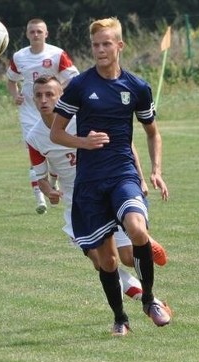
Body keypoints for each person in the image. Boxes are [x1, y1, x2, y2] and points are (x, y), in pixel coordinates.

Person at [50, 17, 171, 336]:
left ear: (120, 46)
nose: (100, 50)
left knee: (137, 230)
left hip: (122, 175)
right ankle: (120, 318)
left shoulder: (137, 87)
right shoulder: (80, 85)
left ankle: (149, 300)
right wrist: (84, 142)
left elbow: (152, 133)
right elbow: (56, 133)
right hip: (90, 183)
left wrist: (156, 170)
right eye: (95, 44)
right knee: (107, 260)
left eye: (107, 44)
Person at [26, 75, 168, 305]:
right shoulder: (34, 137)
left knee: (129, 258)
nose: (44, 100)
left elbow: (125, 145)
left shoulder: (82, 118)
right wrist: (49, 190)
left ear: (61, 97)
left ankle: (145, 241)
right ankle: (151, 301)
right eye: (39, 95)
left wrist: (140, 178)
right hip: (77, 202)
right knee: (101, 262)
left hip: (106, 188)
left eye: (50, 94)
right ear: (32, 99)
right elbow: (40, 176)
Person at [6, 18, 79, 215]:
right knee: (36, 150)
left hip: (56, 112)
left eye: (39, 31)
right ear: (27, 34)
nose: (36, 35)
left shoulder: (56, 54)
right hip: (30, 113)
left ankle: (53, 183)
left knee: (57, 149)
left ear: (46, 34)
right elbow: (11, 80)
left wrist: (55, 92)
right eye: (32, 31)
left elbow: (74, 78)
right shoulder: (19, 56)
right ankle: (40, 197)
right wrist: (15, 96)